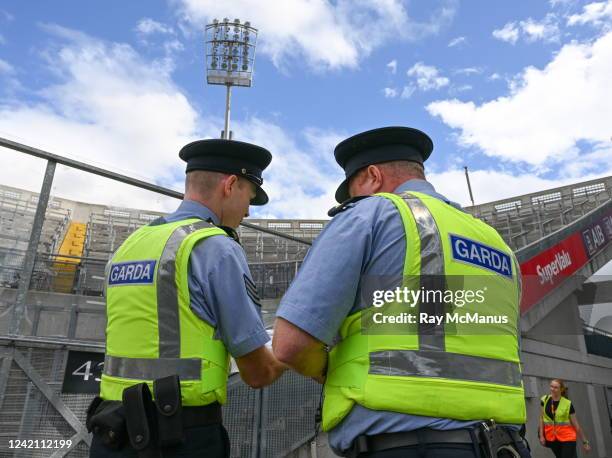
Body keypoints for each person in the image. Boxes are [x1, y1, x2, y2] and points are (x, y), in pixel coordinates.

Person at [273, 126, 530, 457]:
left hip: (407, 445)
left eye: (353, 191)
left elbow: (291, 345)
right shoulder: (496, 243)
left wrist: (330, 371)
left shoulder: (370, 214)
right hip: (506, 444)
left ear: (372, 176)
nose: (354, 200)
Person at [88, 139, 286, 458]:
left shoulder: (129, 245)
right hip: (179, 437)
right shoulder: (216, 249)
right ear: (231, 184)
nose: (248, 210)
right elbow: (257, 372)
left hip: (111, 432)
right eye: (249, 196)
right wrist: (292, 350)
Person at [539, 379, 591, 458]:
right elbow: (541, 418)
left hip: (567, 438)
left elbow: (576, 425)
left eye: (556, 387)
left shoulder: (567, 404)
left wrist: (585, 442)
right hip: (552, 438)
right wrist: (541, 436)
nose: (552, 389)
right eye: (551, 386)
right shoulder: (544, 399)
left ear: (561, 389)